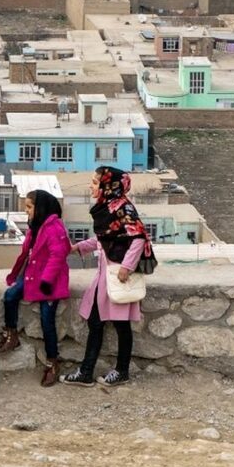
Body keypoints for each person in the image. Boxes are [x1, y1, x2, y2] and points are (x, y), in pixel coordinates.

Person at [62, 166, 151, 388]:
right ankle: (86, 372)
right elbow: (105, 239)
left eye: (95, 182)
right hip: (106, 277)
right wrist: (79, 247)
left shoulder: (123, 208)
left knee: (120, 325)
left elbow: (139, 237)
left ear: (108, 186)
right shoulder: (108, 207)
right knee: (96, 322)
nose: (91, 186)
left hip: (117, 277)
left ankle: (120, 371)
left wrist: (126, 267)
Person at [0, 189, 70, 386]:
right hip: (32, 275)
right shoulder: (35, 226)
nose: (26, 211)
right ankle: (12, 334)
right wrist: (15, 275)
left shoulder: (54, 228)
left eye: (29, 207)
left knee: (47, 320)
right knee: (10, 295)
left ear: (40, 208)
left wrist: (46, 281)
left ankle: (52, 363)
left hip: (50, 280)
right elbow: (26, 253)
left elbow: (58, 256)